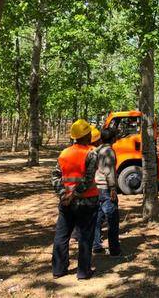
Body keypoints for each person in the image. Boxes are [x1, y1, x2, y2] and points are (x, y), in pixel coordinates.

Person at [52, 119, 99, 280]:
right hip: (87, 202)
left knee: (62, 235)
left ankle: (58, 270)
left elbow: (55, 176)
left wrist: (63, 194)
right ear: (87, 135)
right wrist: (75, 194)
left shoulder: (64, 153)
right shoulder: (91, 153)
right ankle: (83, 272)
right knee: (85, 236)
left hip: (66, 203)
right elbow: (88, 179)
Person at [92, 128, 121, 255]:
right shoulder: (109, 151)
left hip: (95, 188)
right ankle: (114, 250)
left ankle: (96, 245)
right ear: (113, 138)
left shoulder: (96, 150)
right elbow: (109, 172)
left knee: (97, 218)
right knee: (112, 219)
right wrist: (113, 188)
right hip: (106, 189)